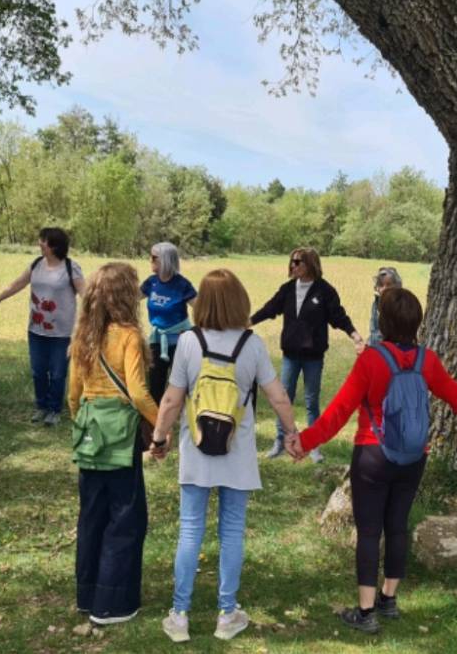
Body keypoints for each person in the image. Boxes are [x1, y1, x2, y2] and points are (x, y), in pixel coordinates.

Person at [287, 287, 457, 634]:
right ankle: (389, 599)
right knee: (398, 525)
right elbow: (455, 395)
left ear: (383, 321)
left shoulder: (371, 360)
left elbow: (339, 411)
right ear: (416, 322)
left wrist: (305, 442)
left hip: (373, 455)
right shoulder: (427, 361)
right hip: (413, 457)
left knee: (369, 531)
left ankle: (366, 612)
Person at [149, 268, 299, 643]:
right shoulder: (252, 345)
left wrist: (159, 437)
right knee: (232, 531)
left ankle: (179, 615)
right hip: (237, 451)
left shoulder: (188, 342)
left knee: (190, 530)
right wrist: (292, 433)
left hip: (196, 449)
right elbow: (278, 396)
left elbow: (171, 399)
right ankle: (226, 613)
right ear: (240, 301)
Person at [68, 263, 159, 626]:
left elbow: (73, 394)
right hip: (121, 434)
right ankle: (113, 602)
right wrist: (161, 424)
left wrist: (83, 421)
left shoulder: (83, 336)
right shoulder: (129, 336)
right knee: (125, 517)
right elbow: (137, 393)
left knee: (91, 515)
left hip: (90, 430)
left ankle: (87, 594)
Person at [250, 246, 364, 462]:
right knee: (284, 398)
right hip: (290, 355)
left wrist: (354, 334)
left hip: (313, 357)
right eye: (291, 261)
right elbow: (270, 309)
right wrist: (248, 322)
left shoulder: (325, 291)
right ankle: (280, 441)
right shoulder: (287, 289)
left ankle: (313, 446)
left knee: (311, 401)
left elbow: (338, 316)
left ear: (310, 264)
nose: (293, 265)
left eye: (297, 262)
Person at [0, 227, 85, 425]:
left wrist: (90, 320)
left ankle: (54, 409)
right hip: (36, 330)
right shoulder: (36, 265)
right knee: (38, 371)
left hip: (62, 333)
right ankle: (41, 406)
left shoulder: (71, 267)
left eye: (43, 240)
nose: (39, 243)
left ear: (54, 245)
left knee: (58, 373)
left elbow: (85, 294)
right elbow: (17, 284)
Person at [142, 242, 196, 404]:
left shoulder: (182, 285)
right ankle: (155, 416)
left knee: (181, 385)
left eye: (154, 257)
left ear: (165, 259)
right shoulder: (151, 282)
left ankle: (184, 414)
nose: (150, 260)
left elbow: (201, 308)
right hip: (157, 340)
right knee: (155, 384)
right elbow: (129, 299)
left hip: (180, 341)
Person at [368, 267, 402, 346]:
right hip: (377, 344)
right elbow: (373, 329)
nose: (384, 288)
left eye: (389, 285)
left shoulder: (401, 304)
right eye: (381, 285)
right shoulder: (376, 303)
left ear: (397, 286)